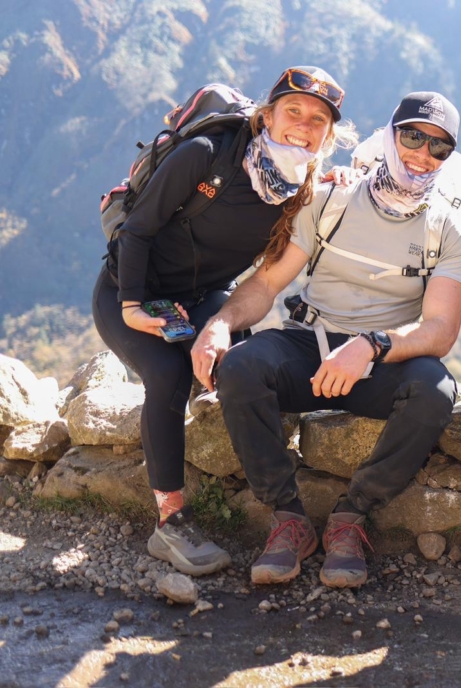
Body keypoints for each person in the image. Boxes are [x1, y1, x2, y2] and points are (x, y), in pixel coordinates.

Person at [190, 92, 461, 588]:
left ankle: (351, 518)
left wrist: (372, 344)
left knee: (434, 391)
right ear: (389, 137)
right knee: (241, 367)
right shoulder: (330, 200)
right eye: (412, 136)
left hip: (381, 357)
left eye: (439, 147)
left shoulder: (449, 228)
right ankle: (288, 519)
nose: (422, 154)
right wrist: (220, 323)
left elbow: (440, 330)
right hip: (311, 343)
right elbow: (267, 284)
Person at [92, 66, 353, 576]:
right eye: (292, 111)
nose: (303, 124)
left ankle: (275, 501)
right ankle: (170, 524)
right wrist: (131, 306)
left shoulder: (301, 189)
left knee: (241, 369)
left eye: (318, 119)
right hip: (129, 288)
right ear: (267, 115)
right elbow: (138, 232)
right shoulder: (207, 155)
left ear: (328, 135)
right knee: (166, 377)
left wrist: (336, 181)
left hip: (205, 297)